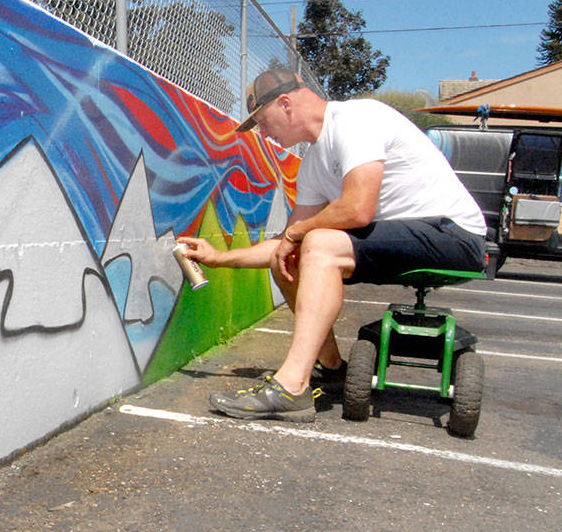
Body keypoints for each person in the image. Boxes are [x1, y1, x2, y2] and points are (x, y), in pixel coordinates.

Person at [178, 67, 486, 422]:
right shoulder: (313, 162)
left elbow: (357, 208)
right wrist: (219, 258)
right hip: (405, 237)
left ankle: (291, 387)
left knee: (319, 242)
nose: (263, 133)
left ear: (285, 104)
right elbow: (286, 243)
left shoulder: (356, 119)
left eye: (262, 121)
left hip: (454, 234)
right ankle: (332, 369)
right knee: (289, 259)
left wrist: (298, 235)